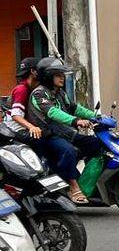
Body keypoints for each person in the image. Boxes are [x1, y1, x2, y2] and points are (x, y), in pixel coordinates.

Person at [27, 58, 101, 204]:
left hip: (64, 132)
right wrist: (76, 121)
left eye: (62, 75)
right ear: (48, 77)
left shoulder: (60, 92)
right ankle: (72, 186)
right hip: (48, 135)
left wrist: (96, 116)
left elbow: (75, 108)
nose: (62, 78)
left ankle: (85, 180)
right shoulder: (39, 94)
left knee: (94, 143)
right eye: (58, 75)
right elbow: (53, 112)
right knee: (69, 151)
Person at [4, 58, 43, 141]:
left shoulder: (32, 89)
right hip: (14, 128)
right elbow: (16, 116)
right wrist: (32, 127)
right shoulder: (22, 89)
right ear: (33, 71)